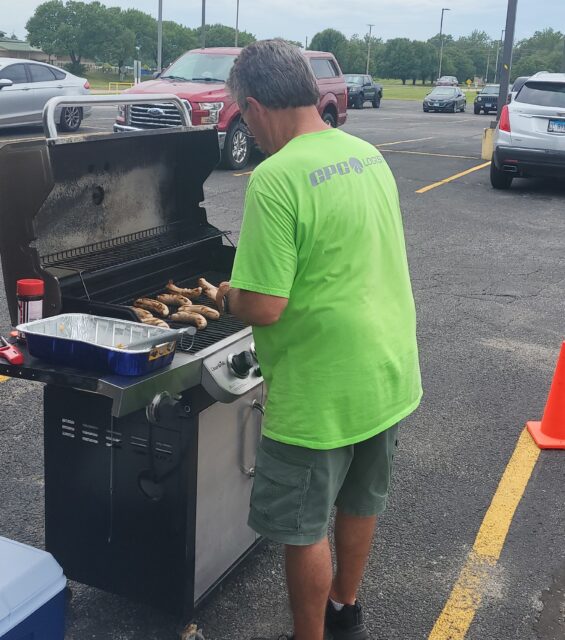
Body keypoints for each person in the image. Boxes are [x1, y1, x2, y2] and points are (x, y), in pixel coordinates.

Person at [217, 39, 422, 640]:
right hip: (386, 369)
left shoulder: (275, 178)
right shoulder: (367, 154)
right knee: (361, 498)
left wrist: (225, 295)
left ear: (254, 107)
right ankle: (345, 612)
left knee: (303, 529)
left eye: (244, 117)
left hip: (322, 390)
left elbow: (264, 305)